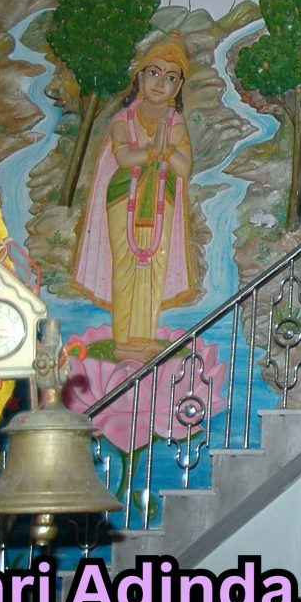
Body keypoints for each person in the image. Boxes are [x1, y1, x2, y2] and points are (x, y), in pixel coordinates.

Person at [72, 33, 198, 360]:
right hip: (122, 197)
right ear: (140, 77)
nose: (160, 82)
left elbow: (184, 167)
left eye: (170, 77)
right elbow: (124, 157)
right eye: (154, 72)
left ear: (178, 87)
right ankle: (123, 339)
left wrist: (166, 150)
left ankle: (144, 337)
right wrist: (152, 152)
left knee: (155, 264)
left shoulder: (175, 123)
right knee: (126, 264)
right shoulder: (123, 119)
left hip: (160, 199)